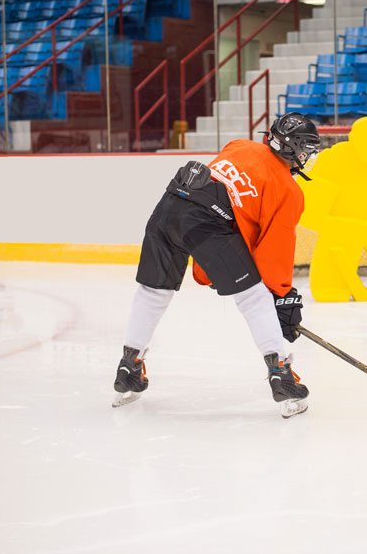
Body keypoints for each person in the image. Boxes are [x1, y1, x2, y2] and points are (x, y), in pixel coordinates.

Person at [112, 112, 322, 418]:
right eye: (306, 148)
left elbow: (229, 201)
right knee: (254, 297)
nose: (308, 155)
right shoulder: (290, 191)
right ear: (293, 147)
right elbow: (274, 250)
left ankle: (128, 368)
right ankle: (282, 375)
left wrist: (219, 267)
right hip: (206, 222)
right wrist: (282, 297)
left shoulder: (240, 145)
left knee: (152, 291)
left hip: (168, 206)